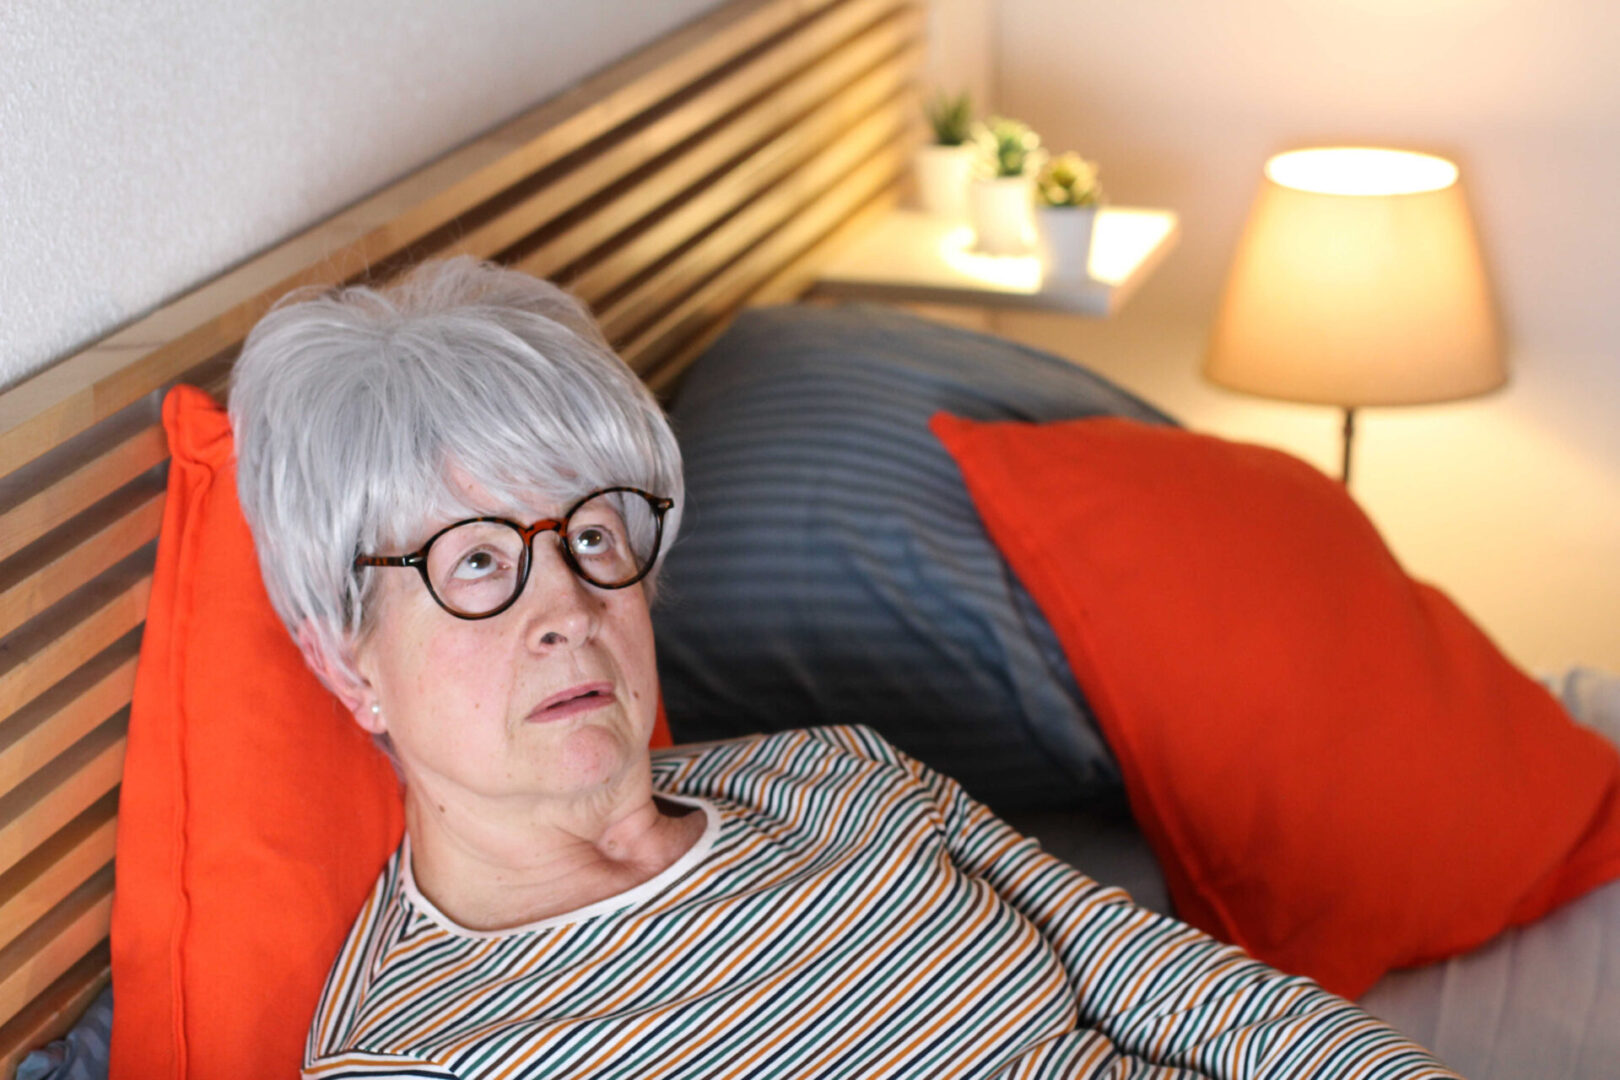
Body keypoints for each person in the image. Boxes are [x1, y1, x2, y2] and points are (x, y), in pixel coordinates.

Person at [229, 257, 1457, 1079]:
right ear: (349, 661)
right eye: (478, 563)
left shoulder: (834, 773)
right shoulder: (427, 1057)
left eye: (593, 535)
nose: (568, 605)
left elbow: (1193, 996)